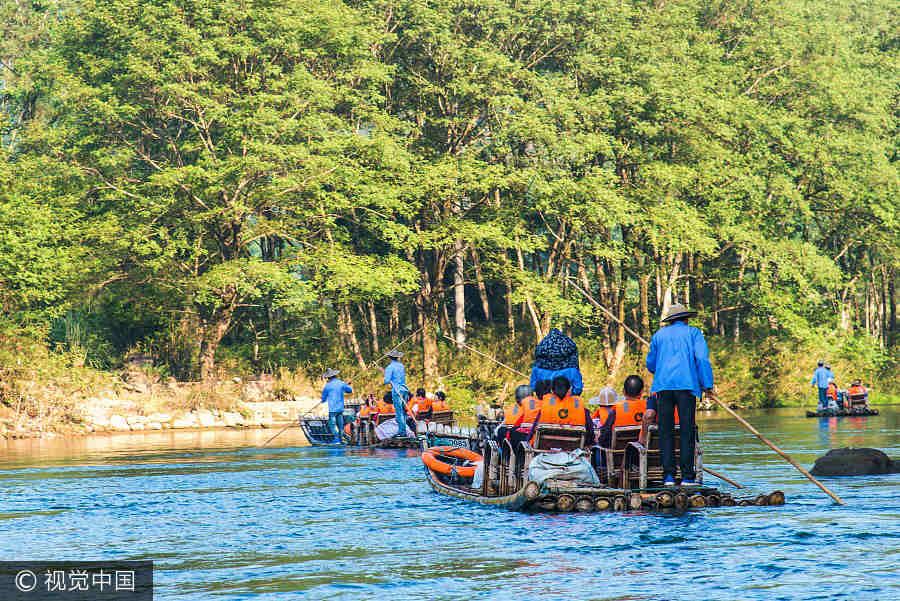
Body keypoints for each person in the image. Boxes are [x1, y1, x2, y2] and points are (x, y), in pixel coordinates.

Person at [645, 303, 713, 487]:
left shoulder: (658, 336)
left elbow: (651, 364)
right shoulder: (694, 334)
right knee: (686, 431)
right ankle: (687, 477)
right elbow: (701, 359)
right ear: (685, 318)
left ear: (671, 320)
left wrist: (662, 368)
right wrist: (707, 385)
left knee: (665, 431)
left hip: (663, 387)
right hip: (687, 386)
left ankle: (668, 476)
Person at [526, 375, 594, 447]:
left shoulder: (545, 406)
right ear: (569, 389)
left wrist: (528, 440)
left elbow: (533, 431)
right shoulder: (582, 409)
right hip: (573, 449)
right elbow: (590, 435)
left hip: (546, 448)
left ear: (552, 390)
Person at [530, 328, 583, 396]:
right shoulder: (572, 370)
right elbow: (578, 389)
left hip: (543, 404)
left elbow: (534, 387)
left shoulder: (537, 369)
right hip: (568, 403)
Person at [382, 349, 411, 437]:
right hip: (404, 390)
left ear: (389, 357)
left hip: (397, 391)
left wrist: (385, 375)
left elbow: (386, 381)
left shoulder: (389, 367)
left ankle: (402, 432)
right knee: (403, 411)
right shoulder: (401, 366)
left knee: (399, 412)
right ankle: (404, 430)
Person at [320, 368, 352, 444]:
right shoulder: (341, 383)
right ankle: (346, 438)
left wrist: (322, 400)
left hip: (332, 410)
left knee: (332, 425)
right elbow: (349, 391)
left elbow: (324, 399)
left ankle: (337, 439)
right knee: (340, 426)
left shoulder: (327, 386)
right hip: (340, 408)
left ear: (328, 377)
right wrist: (346, 385)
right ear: (335, 375)